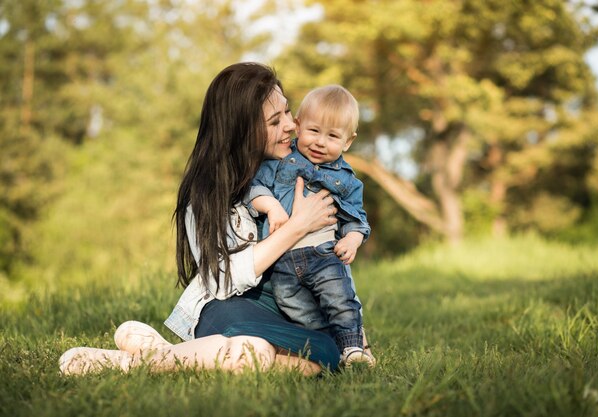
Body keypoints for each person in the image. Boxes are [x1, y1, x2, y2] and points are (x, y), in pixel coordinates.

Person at [58, 63, 372, 376]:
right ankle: (131, 364)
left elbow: (327, 261)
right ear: (242, 130)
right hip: (229, 303)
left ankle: (166, 354)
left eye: (288, 113)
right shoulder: (207, 192)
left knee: (323, 358)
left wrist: (357, 336)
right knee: (255, 352)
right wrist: (297, 226)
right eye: (275, 121)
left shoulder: (303, 168)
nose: (291, 126)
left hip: (289, 306)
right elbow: (223, 280)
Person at [243, 85, 374, 366]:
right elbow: (254, 188)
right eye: (314, 131)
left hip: (323, 255)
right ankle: (327, 346)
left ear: (347, 142)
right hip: (281, 263)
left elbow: (357, 220)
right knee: (297, 309)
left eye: (332, 136)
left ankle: (353, 347)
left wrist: (351, 240)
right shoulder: (278, 162)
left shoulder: (348, 181)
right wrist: (272, 206)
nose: (320, 143)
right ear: (299, 126)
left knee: (339, 299)